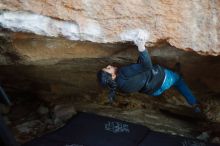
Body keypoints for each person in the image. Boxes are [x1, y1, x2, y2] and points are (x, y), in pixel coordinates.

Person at [97, 31, 201, 113]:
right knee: (178, 80)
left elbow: (137, 75)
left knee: (169, 76)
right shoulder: (124, 72)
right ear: (113, 76)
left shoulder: (117, 86)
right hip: (162, 79)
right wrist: (141, 46)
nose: (108, 65)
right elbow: (147, 66)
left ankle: (176, 79)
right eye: (108, 69)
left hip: (154, 91)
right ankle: (193, 102)